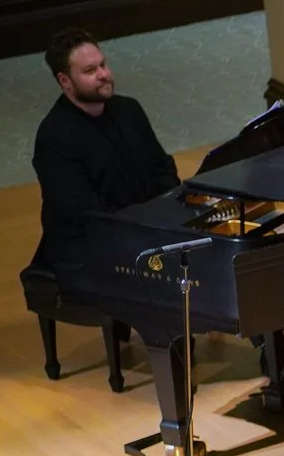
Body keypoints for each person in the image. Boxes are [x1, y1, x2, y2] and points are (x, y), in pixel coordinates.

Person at [32, 27, 178, 275]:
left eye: (103, 65)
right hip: (87, 244)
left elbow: (161, 166)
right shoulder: (54, 137)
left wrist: (170, 208)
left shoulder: (128, 109)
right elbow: (83, 211)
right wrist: (145, 226)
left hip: (140, 225)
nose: (104, 75)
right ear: (65, 81)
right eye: (90, 71)